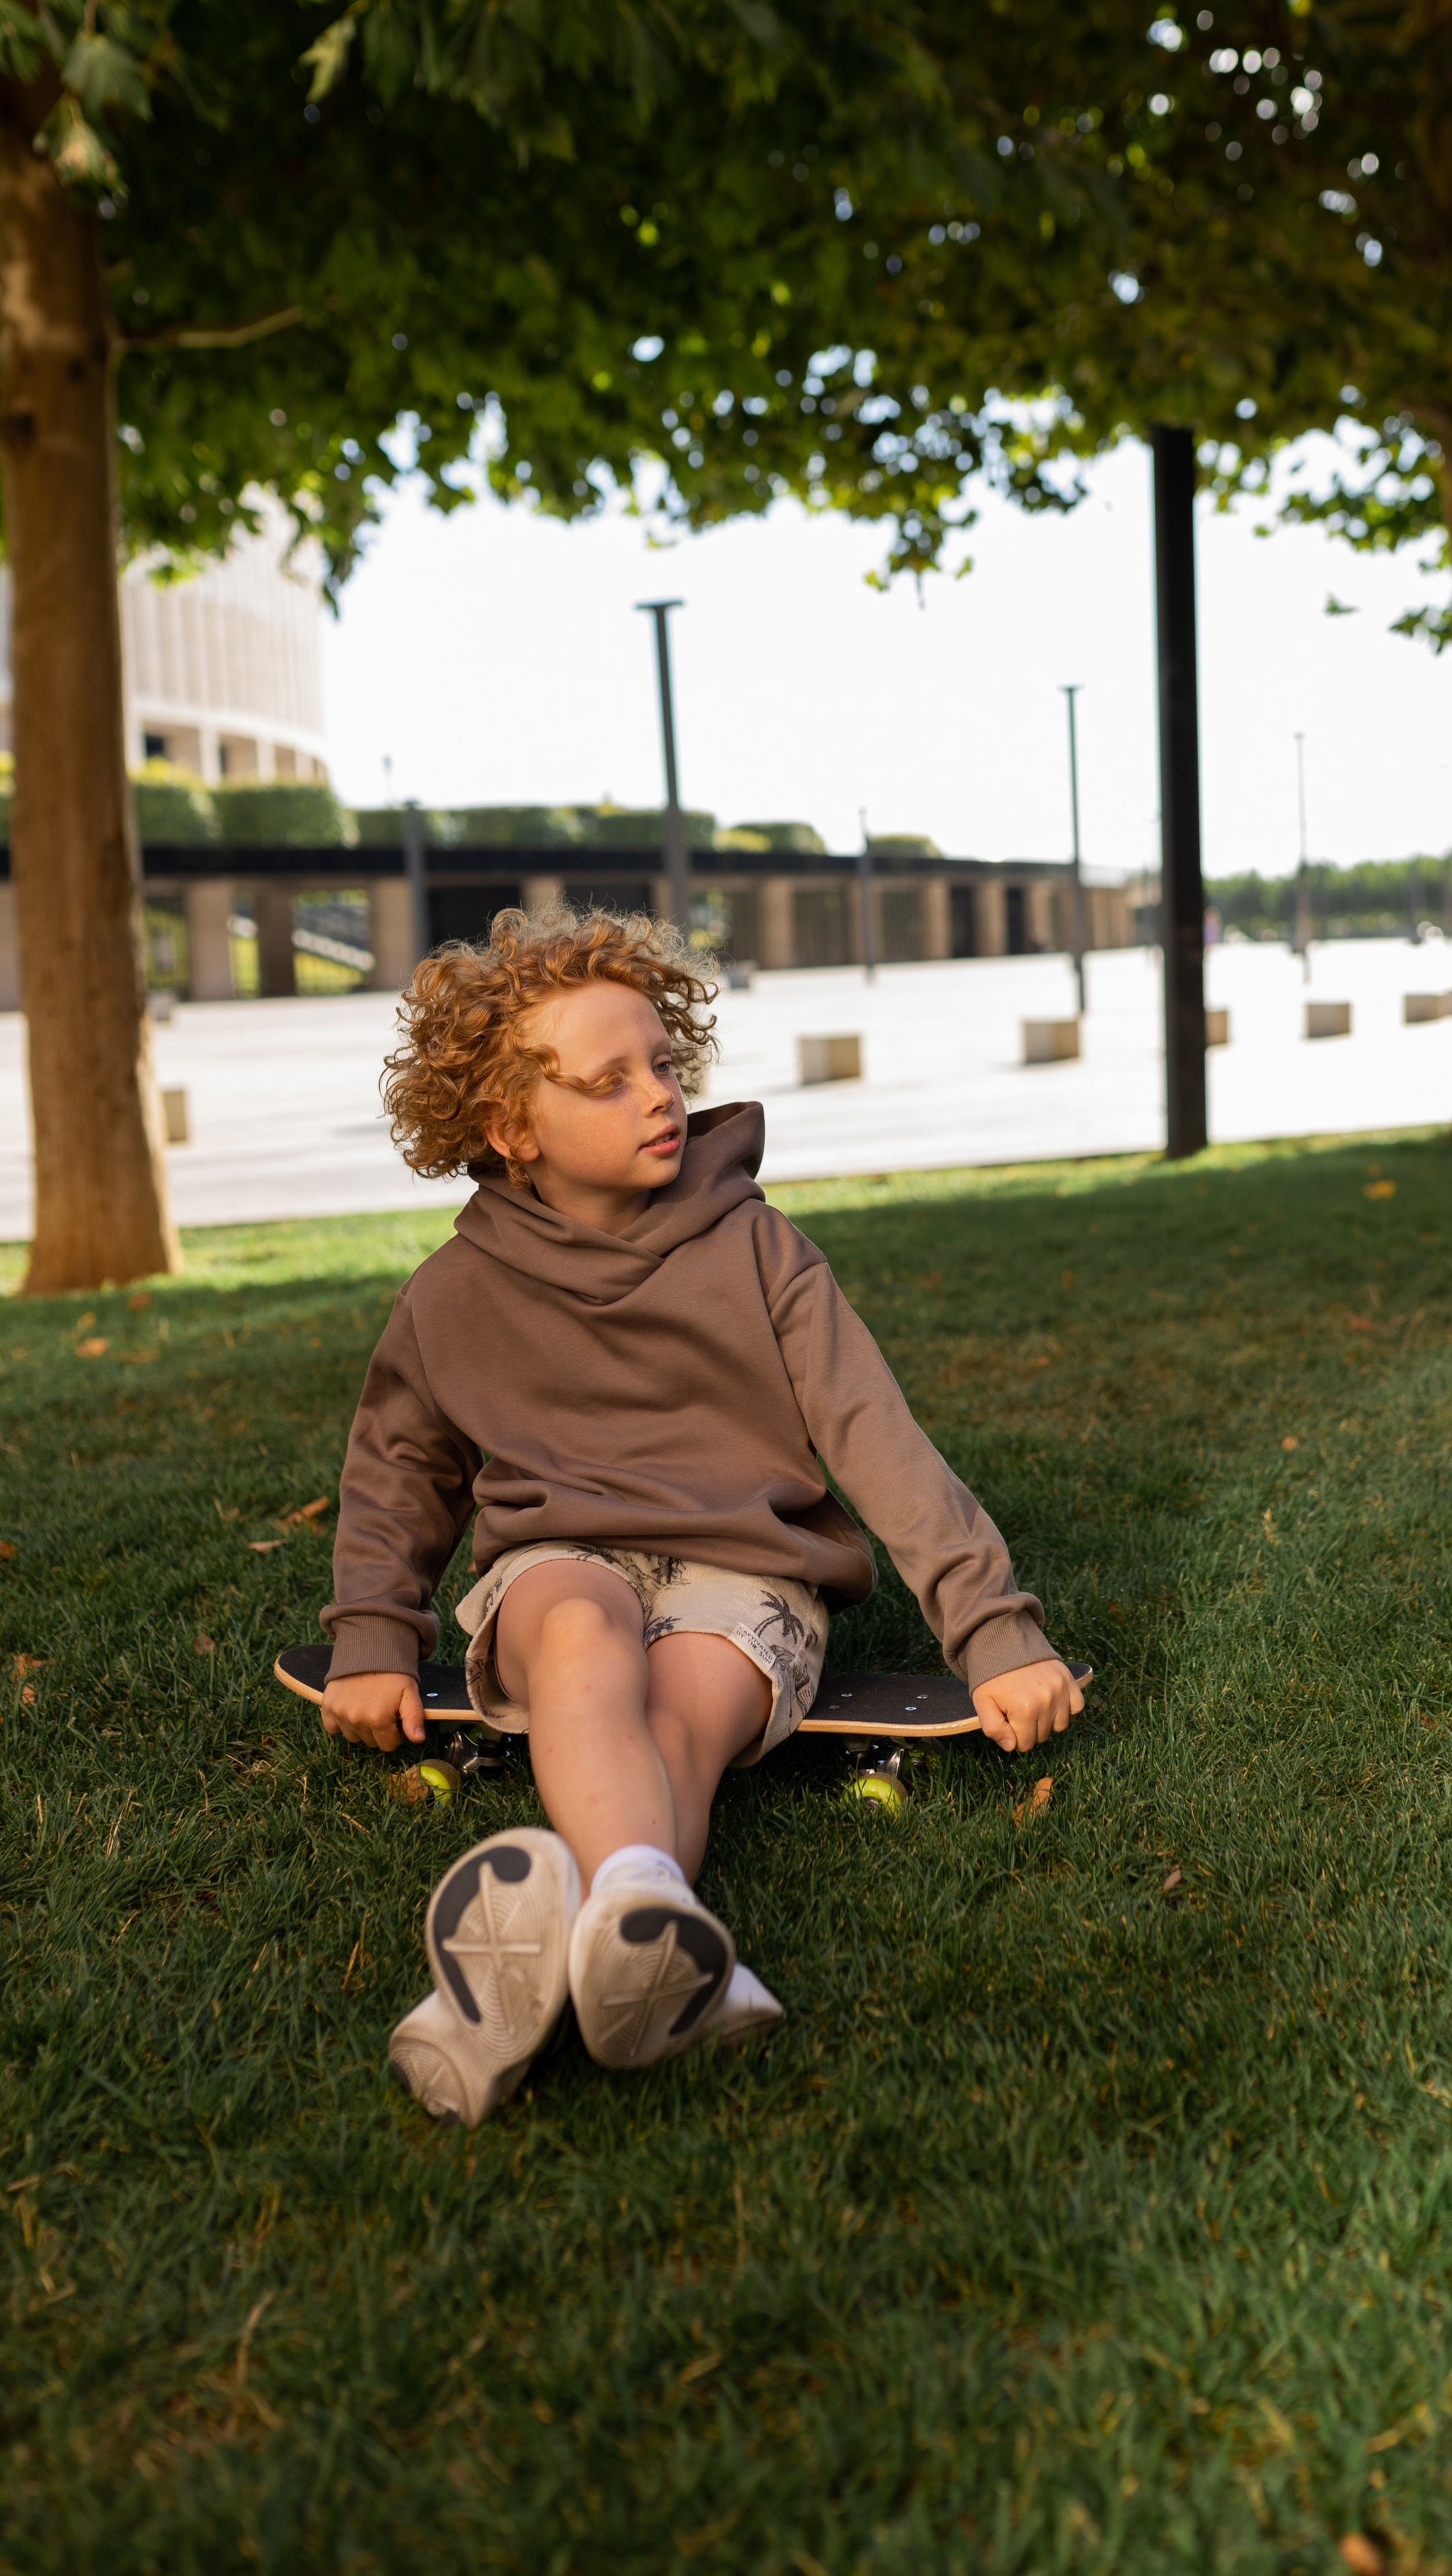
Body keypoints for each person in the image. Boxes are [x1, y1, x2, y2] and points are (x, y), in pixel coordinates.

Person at [321, 903, 1082, 2124]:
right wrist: (371, 1633)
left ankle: (568, 1938)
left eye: (665, 1064)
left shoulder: (761, 1251)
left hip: (752, 1578)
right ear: (513, 1126)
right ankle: (664, 1940)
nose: (658, 1095)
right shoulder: (451, 1295)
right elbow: (398, 1472)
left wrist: (993, 1631)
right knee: (578, 1633)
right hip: (557, 1563)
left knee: (684, 1720)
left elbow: (877, 1442)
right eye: (608, 1080)